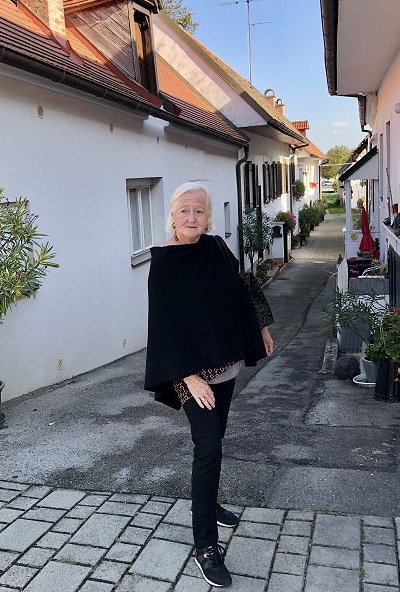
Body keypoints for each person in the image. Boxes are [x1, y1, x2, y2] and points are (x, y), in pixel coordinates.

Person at [144, 182, 274, 588]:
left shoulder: (216, 247)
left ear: (208, 217)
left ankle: (209, 502)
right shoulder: (164, 262)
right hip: (190, 373)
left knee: (216, 437)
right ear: (172, 215)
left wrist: (262, 326)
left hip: (225, 365)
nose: (191, 217)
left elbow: (243, 286)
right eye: (184, 210)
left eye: (199, 211)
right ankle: (205, 545)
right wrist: (189, 377)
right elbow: (164, 324)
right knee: (209, 447)